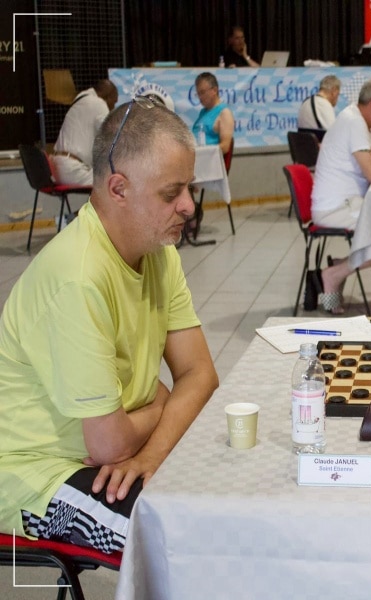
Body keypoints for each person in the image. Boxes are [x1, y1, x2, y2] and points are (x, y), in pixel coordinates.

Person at [0, 98, 219, 552]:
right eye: (171, 193)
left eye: (189, 188)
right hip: (37, 472)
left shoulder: (159, 253)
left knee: (228, 492)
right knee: (188, 543)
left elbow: (200, 375)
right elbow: (108, 446)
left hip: (112, 453)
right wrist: (163, 402)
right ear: (119, 188)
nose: (188, 207)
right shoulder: (78, 277)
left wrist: (153, 452)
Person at [312, 78, 371, 314]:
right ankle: (333, 274)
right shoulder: (354, 121)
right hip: (336, 208)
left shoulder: (366, 126)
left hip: (350, 204)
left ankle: (340, 266)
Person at [52, 79, 118, 186]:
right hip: (72, 169)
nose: (113, 108)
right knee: (116, 184)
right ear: (108, 97)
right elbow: (112, 136)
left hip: (59, 167)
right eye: (114, 103)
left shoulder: (81, 101)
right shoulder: (98, 103)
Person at [193, 72, 235, 154]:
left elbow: (225, 147)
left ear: (214, 90)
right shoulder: (203, 112)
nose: (200, 97)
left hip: (208, 158)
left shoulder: (224, 113)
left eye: (202, 92)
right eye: (198, 94)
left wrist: (202, 152)